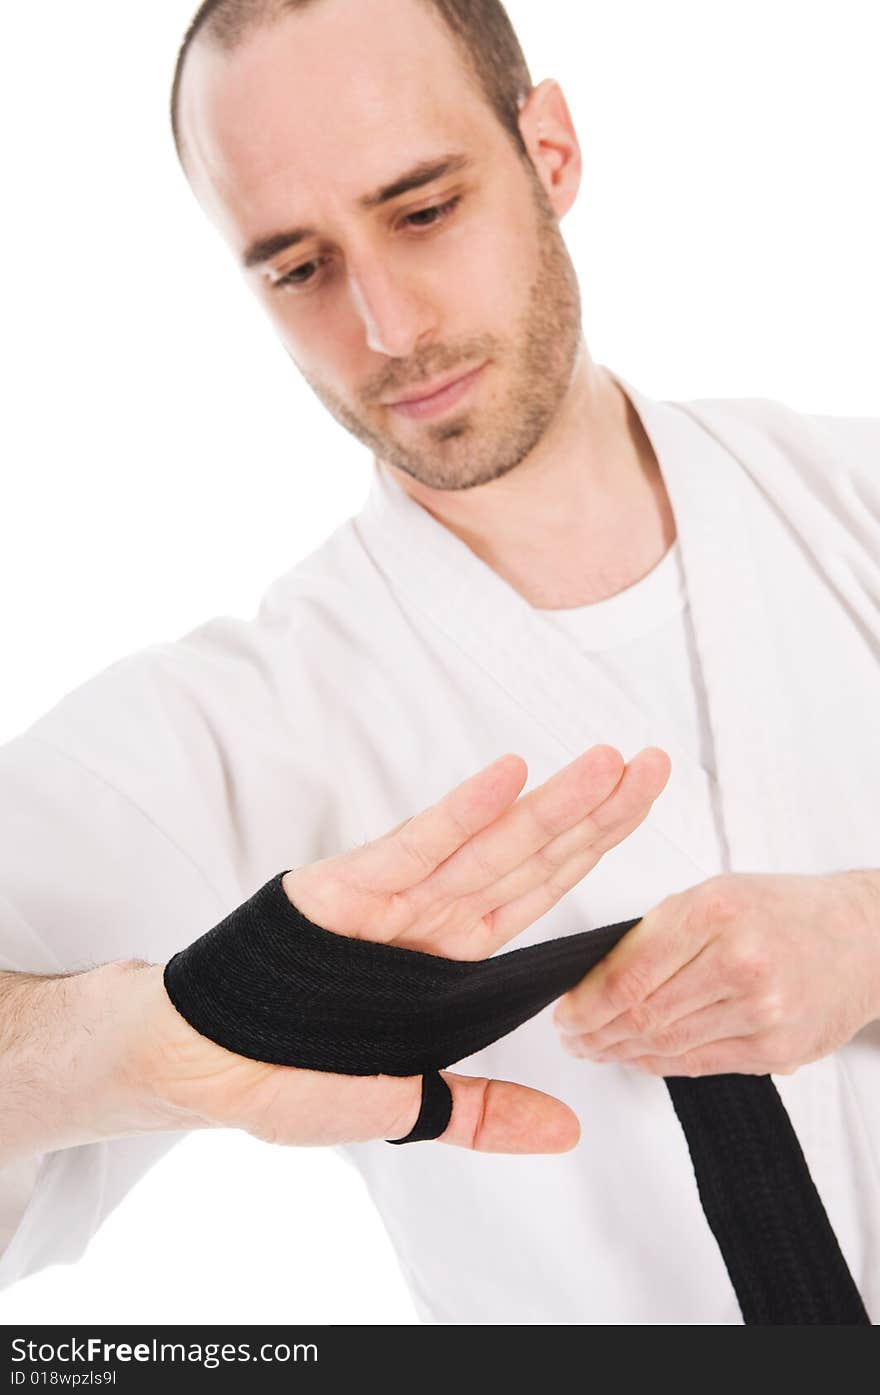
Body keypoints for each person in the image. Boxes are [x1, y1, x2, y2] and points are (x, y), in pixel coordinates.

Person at [1, 0, 879, 1324]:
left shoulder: (855, 499)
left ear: (552, 150)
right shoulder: (238, 732)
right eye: (299, 267)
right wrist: (143, 1051)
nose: (390, 323)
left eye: (423, 210)